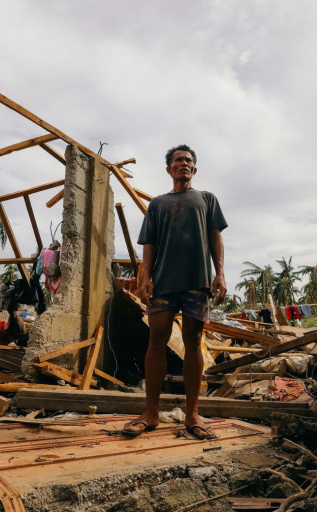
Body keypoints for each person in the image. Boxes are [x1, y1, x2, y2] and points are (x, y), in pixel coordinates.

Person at [122, 144, 228, 440]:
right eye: (178, 160)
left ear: (195, 169)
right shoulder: (157, 204)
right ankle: (151, 412)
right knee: (156, 340)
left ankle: (193, 413)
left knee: (193, 342)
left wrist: (219, 273)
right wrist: (146, 278)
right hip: (164, 283)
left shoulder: (207, 200)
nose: (184, 163)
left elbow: (215, 238)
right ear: (169, 169)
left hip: (197, 282)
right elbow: (149, 245)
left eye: (189, 160)